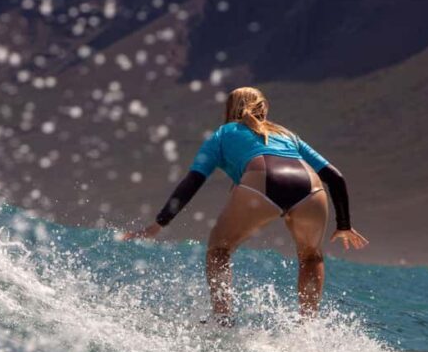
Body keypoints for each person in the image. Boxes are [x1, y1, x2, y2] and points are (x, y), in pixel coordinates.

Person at [123, 86, 367, 324]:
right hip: (310, 186)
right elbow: (334, 176)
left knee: (220, 249)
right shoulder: (286, 134)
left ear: (229, 109)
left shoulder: (223, 133)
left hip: (262, 180)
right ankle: (308, 330)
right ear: (264, 108)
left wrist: (159, 224)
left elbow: (194, 180)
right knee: (311, 257)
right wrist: (344, 224)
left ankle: (223, 320)